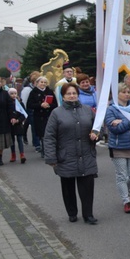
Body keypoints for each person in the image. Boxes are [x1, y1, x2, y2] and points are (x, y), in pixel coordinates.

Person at [42, 83, 101, 224]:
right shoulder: (57, 113)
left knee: (87, 187)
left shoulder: (87, 110)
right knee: (68, 188)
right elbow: (49, 136)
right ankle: (72, 212)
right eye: (68, 93)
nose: (72, 96)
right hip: (65, 156)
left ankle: (88, 214)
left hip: (86, 154)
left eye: (74, 93)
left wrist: (96, 134)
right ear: (63, 96)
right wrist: (51, 157)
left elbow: (98, 128)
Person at [105, 83, 130, 214]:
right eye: (124, 92)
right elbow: (114, 129)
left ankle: (125, 190)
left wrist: (123, 122)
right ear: (117, 94)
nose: (127, 94)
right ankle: (126, 200)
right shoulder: (111, 109)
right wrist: (129, 121)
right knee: (121, 176)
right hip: (118, 147)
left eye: (128, 92)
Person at [27, 76, 58, 156]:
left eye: (45, 82)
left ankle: (50, 150)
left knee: (50, 133)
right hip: (39, 116)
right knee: (42, 134)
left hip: (48, 115)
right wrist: (40, 105)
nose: (43, 84)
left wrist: (49, 105)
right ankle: (43, 150)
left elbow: (55, 104)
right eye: (41, 82)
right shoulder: (34, 92)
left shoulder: (50, 91)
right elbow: (30, 105)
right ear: (37, 83)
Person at [7, 88, 28, 163]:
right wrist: (11, 119)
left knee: (20, 139)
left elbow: (23, 113)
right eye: (11, 94)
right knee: (11, 140)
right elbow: (6, 113)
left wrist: (18, 120)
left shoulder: (20, 103)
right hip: (10, 124)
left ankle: (22, 155)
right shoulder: (7, 103)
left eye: (15, 93)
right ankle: (13, 154)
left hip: (18, 124)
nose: (13, 95)